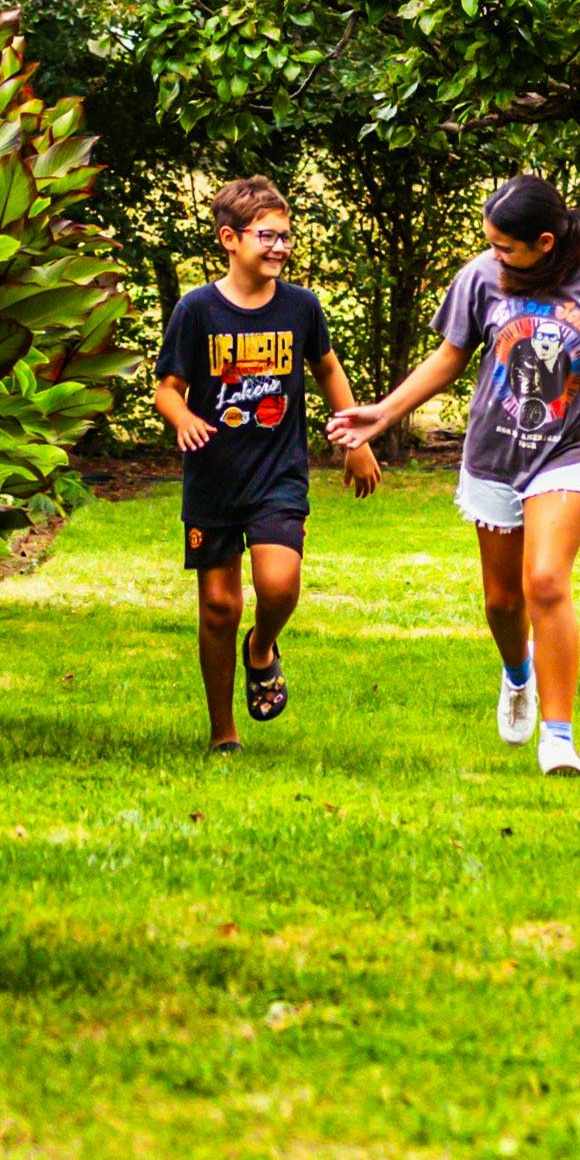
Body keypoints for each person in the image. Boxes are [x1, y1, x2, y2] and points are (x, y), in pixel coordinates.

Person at [329, 175, 580, 777]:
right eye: (490, 244)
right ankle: (519, 675)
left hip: (573, 448)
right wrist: (382, 413)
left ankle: (558, 738)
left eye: (505, 247)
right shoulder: (481, 278)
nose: (494, 255)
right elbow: (449, 358)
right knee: (502, 601)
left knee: (544, 581)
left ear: (544, 241)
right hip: (495, 452)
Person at [153, 177, 380, 754]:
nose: (279, 246)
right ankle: (222, 731)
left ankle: (262, 646)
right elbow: (167, 389)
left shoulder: (301, 307)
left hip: (277, 473)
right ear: (230, 239)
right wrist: (181, 418)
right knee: (218, 605)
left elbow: (327, 369)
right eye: (267, 236)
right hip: (213, 475)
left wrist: (354, 435)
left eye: (285, 236)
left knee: (277, 584)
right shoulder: (197, 309)